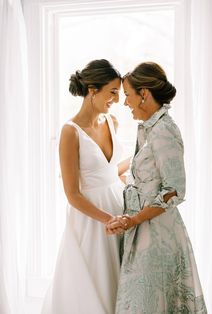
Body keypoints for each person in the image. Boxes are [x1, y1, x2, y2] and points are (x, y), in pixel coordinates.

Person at [106, 62, 207, 313]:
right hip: (142, 231)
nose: (125, 102)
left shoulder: (164, 130)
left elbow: (174, 190)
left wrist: (134, 219)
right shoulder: (146, 129)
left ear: (144, 94)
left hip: (158, 235)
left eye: (127, 95)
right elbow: (142, 179)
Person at [41, 59, 129, 314]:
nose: (116, 99)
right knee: (96, 282)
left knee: (121, 277)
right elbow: (72, 194)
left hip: (119, 206)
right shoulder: (70, 132)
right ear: (92, 89)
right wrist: (108, 220)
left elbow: (111, 171)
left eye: (119, 93)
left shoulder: (112, 122)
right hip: (92, 217)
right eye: (112, 91)